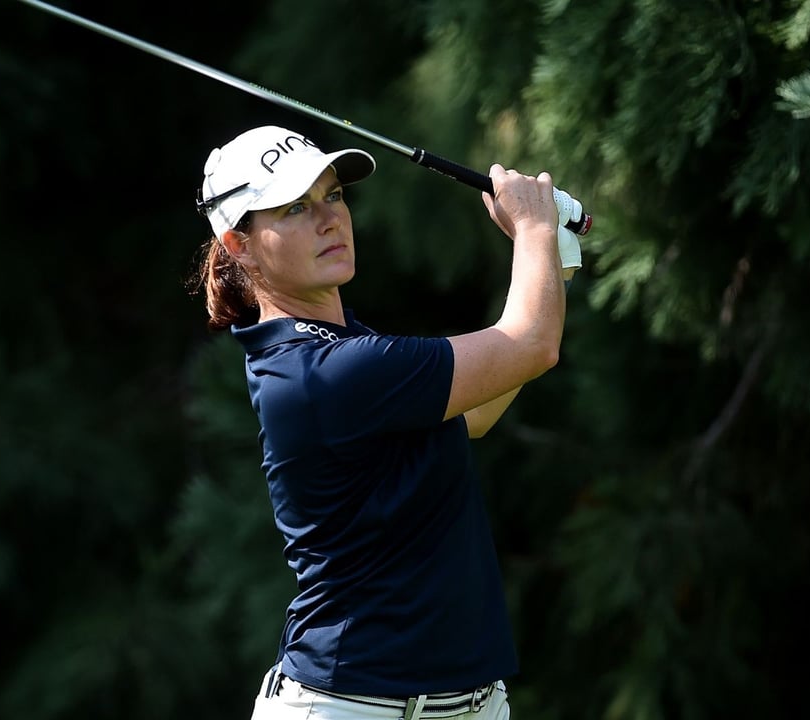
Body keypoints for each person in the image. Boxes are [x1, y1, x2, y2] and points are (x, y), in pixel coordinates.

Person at [192, 125, 573, 720]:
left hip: (469, 704)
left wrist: (553, 265)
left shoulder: (345, 349)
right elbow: (532, 346)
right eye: (294, 208)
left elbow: (472, 413)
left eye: (333, 196)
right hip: (351, 707)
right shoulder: (321, 371)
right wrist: (534, 228)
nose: (328, 219)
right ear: (238, 243)